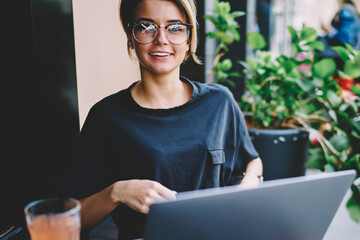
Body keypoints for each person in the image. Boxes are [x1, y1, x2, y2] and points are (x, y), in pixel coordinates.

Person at [61, 0, 263, 239]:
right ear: (130, 35)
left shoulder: (220, 102)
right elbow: (69, 218)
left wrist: (249, 183)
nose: (161, 39)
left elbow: (252, 161)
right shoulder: (107, 117)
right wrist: (115, 192)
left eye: (175, 27)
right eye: (146, 26)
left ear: (189, 38)